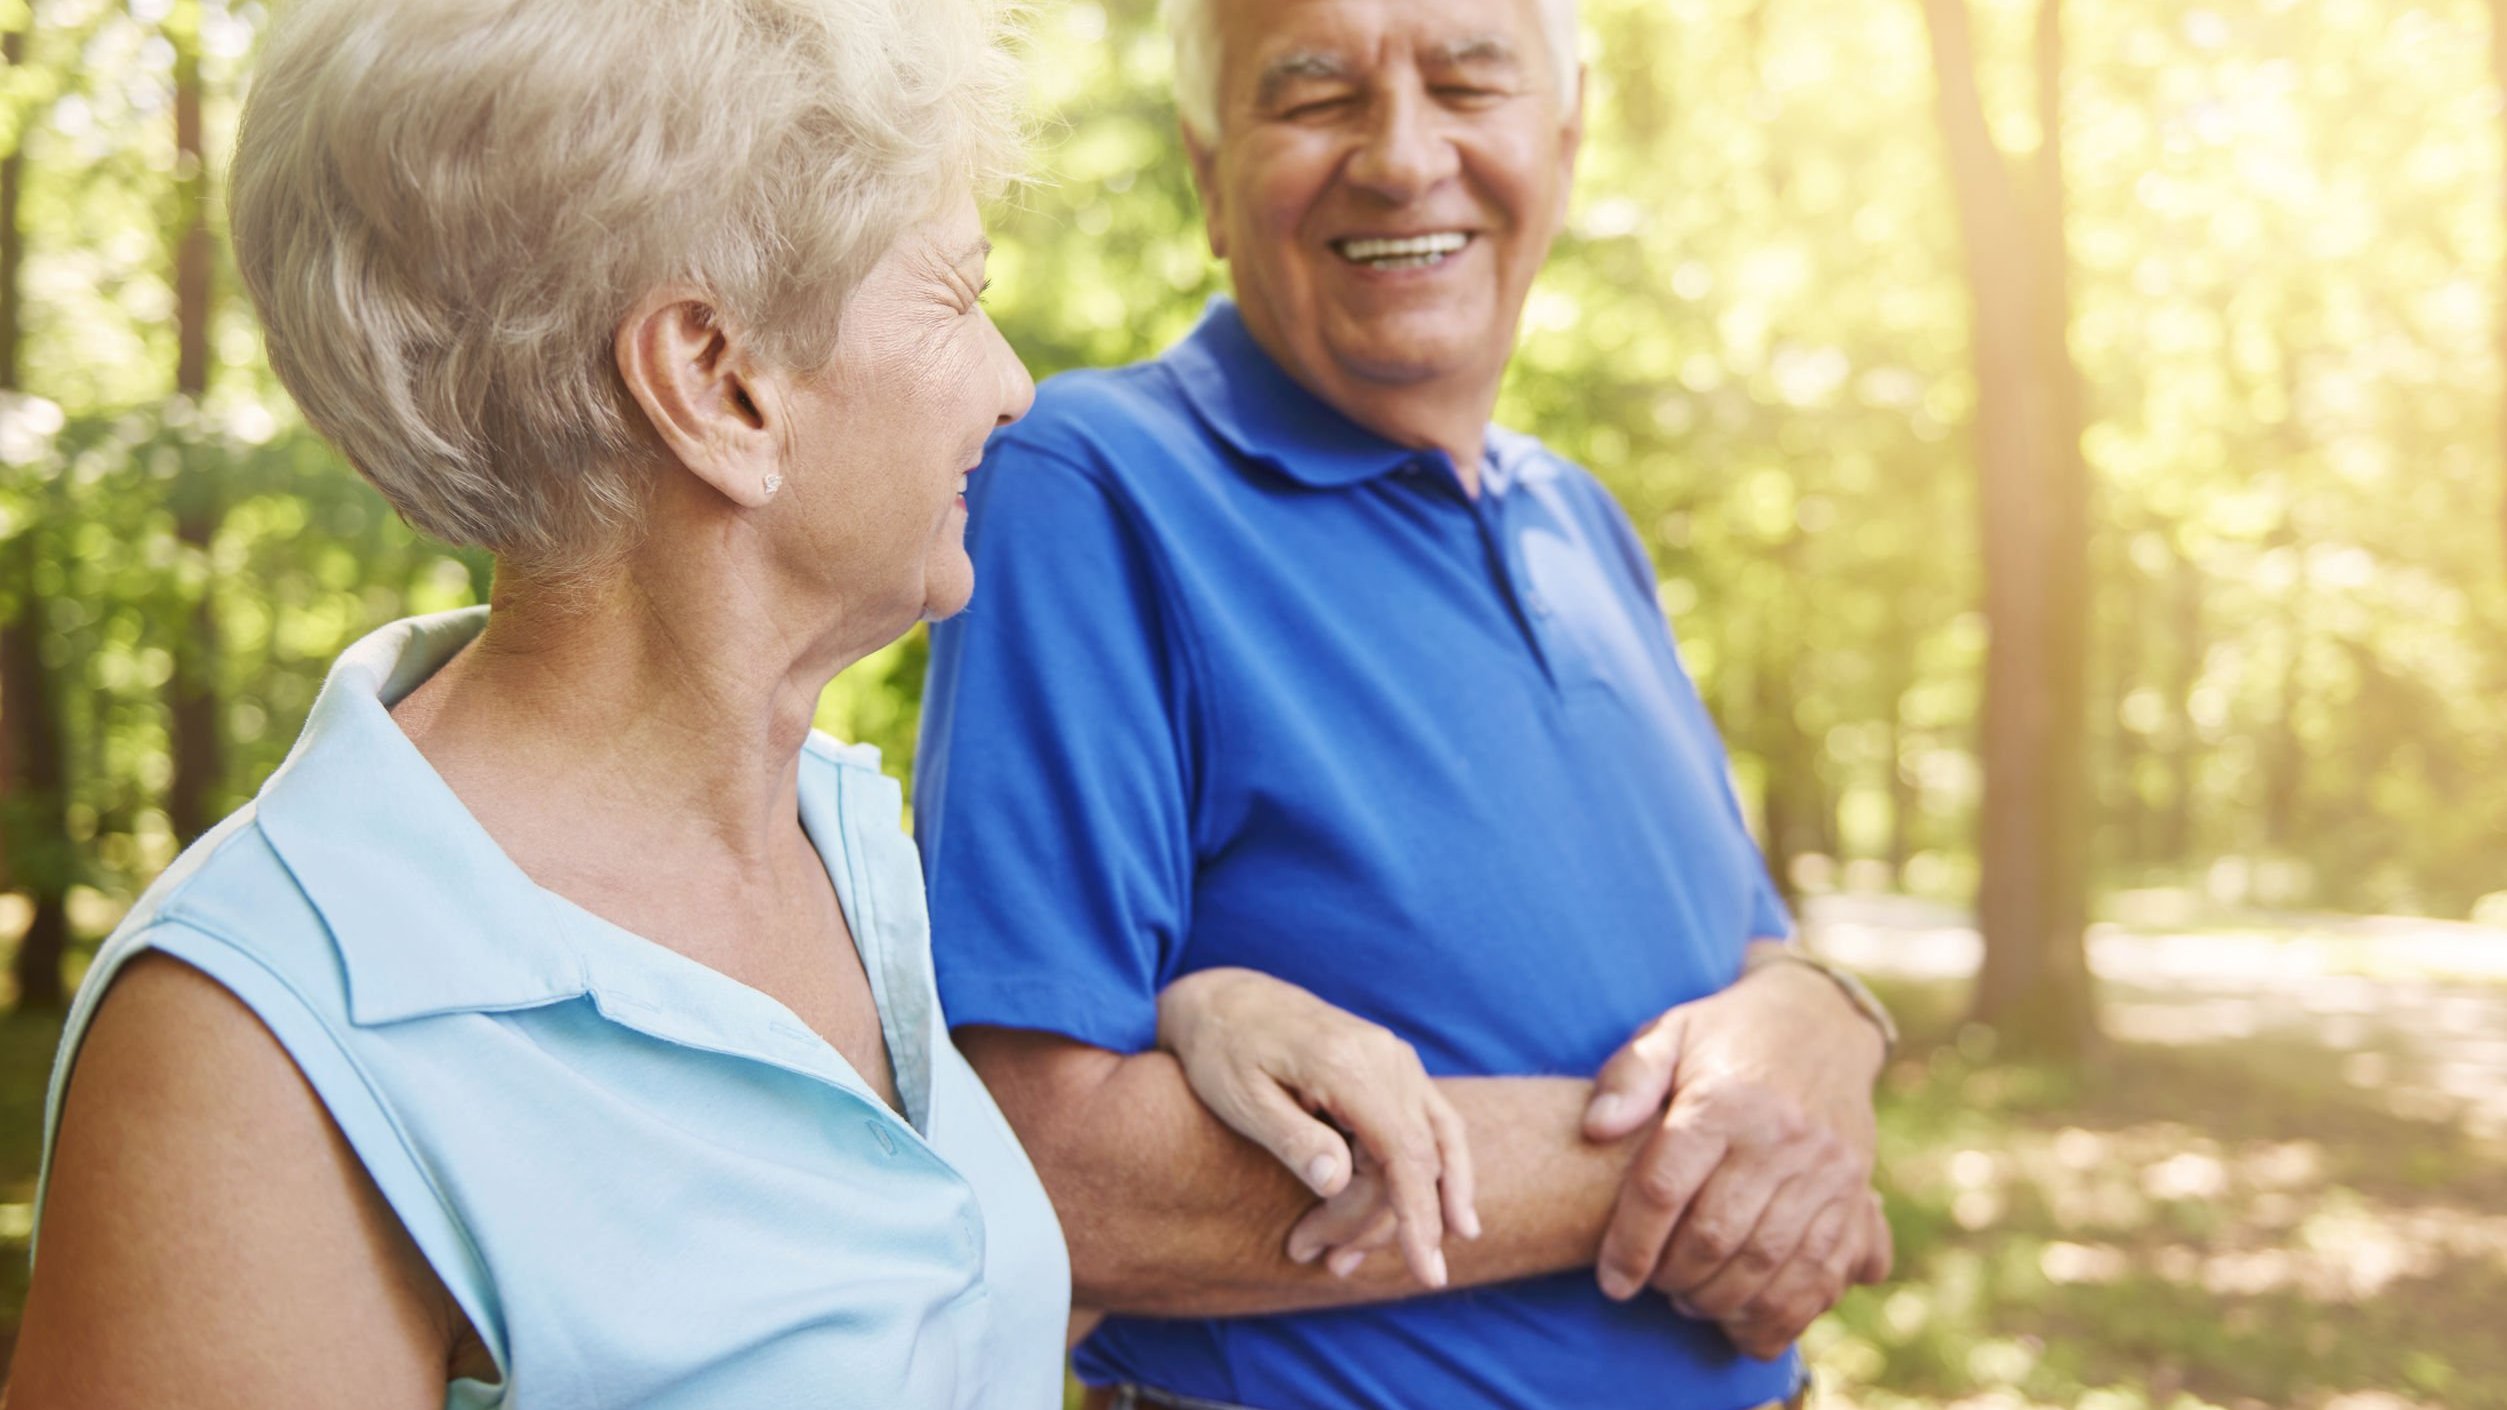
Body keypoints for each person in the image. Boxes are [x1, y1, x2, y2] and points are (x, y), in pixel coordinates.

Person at [8, 1, 1469, 1404]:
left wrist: (1203, 1008)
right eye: (958, 296)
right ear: (718, 382)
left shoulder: (839, 846)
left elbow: (906, 1320)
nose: (1015, 386)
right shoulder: (250, 1045)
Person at [913, 0, 1903, 1405]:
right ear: (1208, 173)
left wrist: (1827, 1021)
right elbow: (1050, 1171)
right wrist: (1716, 1157)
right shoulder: (1090, 484)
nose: (1400, 155)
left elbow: (1744, 952)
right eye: (1315, 95)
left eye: (1466, 79)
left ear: (1562, 140)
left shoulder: (1582, 519)